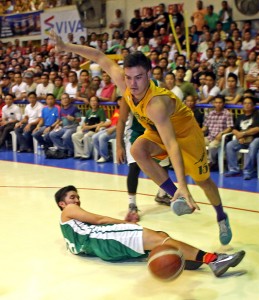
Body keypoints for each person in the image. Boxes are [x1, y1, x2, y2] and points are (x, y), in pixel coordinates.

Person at [50, 31, 233, 246]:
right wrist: (65, 46)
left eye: (138, 78)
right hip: (157, 132)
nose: (133, 84)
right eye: (129, 77)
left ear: (148, 75)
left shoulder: (156, 103)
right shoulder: (125, 83)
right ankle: (178, 197)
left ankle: (221, 216)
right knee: (137, 151)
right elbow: (99, 57)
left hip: (186, 136)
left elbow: (172, 143)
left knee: (204, 182)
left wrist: (183, 183)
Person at [55, 185, 246, 277]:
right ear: (62, 204)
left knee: (160, 237)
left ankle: (187, 258)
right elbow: (99, 220)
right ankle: (213, 260)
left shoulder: (68, 230)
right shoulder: (68, 211)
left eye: (78, 198)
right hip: (105, 240)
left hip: (104, 249)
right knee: (159, 239)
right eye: (73, 198)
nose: (77, 201)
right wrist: (124, 223)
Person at [225, 96, 259, 180]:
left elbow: (257, 129)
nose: (247, 105)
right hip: (242, 139)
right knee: (230, 145)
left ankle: (248, 171)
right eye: (245, 103)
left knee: (253, 146)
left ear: (253, 105)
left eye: (249, 103)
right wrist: (238, 136)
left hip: (255, 138)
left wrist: (243, 134)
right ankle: (234, 169)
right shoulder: (240, 116)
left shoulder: (258, 115)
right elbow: (234, 129)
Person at [202, 95, 233, 170]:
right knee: (197, 142)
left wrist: (222, 133)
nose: (218, 104)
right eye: (216, 102)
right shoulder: (210, 113)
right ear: (213, 103)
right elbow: (205, 127)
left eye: (220, 102)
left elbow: (230, 128)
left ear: (223, 103)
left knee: (212, 146)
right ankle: (202, 162)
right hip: (210, 137)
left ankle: (211, 163)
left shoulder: (227, 113)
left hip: (220, 138)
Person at [49, 93, 81, 157]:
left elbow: (79, 119)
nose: (65, 100)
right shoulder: (61, 110)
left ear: (69, 99)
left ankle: (71, 151)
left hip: (73, 127)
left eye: (66, 98)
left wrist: (73, 119)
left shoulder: (74, 108)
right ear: (61, 101)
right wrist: (58, 124)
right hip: (64, 127)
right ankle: (63, 149)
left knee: (65, 136)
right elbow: (62, 121)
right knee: (52, 134)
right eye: (63, 99)